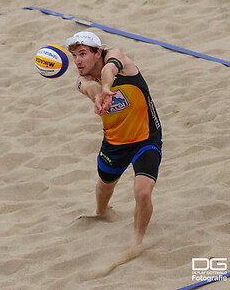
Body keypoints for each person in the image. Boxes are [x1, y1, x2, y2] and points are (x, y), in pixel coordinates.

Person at [66, 31, 162, 245]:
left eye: (83, 54)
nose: (78, 61)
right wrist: (99, 94)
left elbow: (110, 68)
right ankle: (101, 212)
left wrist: (107, 87)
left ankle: (137, 241)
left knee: (143, 193)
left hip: (146, 138)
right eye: (74, 55)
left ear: (98, 52)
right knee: (105, 185)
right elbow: (90, 87)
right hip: (115, 143)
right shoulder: (83, 81)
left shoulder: (118, 58)